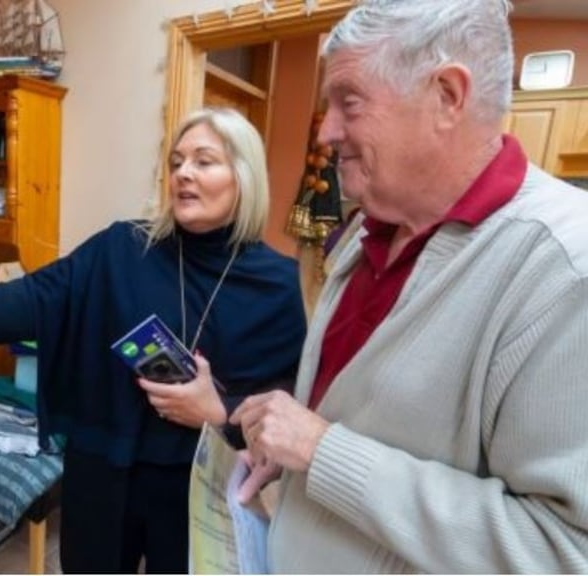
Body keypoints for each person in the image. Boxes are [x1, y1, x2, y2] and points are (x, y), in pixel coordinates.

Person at [229, 0, 588, 572]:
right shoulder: (367, 227)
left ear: (447, 96)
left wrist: (322, 451)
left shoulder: (565, 268)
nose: (326, 130)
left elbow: (563, 550)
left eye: (349, 101)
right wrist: (295, 449)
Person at [0, 107, 307, 573]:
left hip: (197, 481)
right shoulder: (123, 247)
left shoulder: (276, 282)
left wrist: (217, 412)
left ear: (244, 176)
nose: (183, 173)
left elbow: (284, 400)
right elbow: (38, 297)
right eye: (176, 161)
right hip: (104, 465)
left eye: (204, 161)